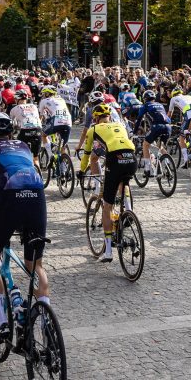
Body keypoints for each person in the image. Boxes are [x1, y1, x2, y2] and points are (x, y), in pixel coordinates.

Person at [0, 113, 49, 343]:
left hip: (10, 195)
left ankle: (3, 322)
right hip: (36, 194)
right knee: (36, 264)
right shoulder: (23, 145)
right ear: (11, 132)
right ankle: (46, 321)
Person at [79, 104, 137, 263]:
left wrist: (81, 171)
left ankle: (109, 251)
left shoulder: (93, 129)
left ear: (95, 118)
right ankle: (128, 209)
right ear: (109, 117)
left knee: (107, 206)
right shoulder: (119, 124)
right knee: (123, 181)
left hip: (115, 160)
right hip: (132, 159)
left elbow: (87, 154)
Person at [136, 90, 170, 173]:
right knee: (160, 146)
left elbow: (139, 119)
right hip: (168, 127)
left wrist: (134, 132)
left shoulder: (145, 105)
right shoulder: (160, 105)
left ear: (145, 99)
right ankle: (168, 163)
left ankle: (147, 169)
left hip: (157, 127)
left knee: (145, 144)